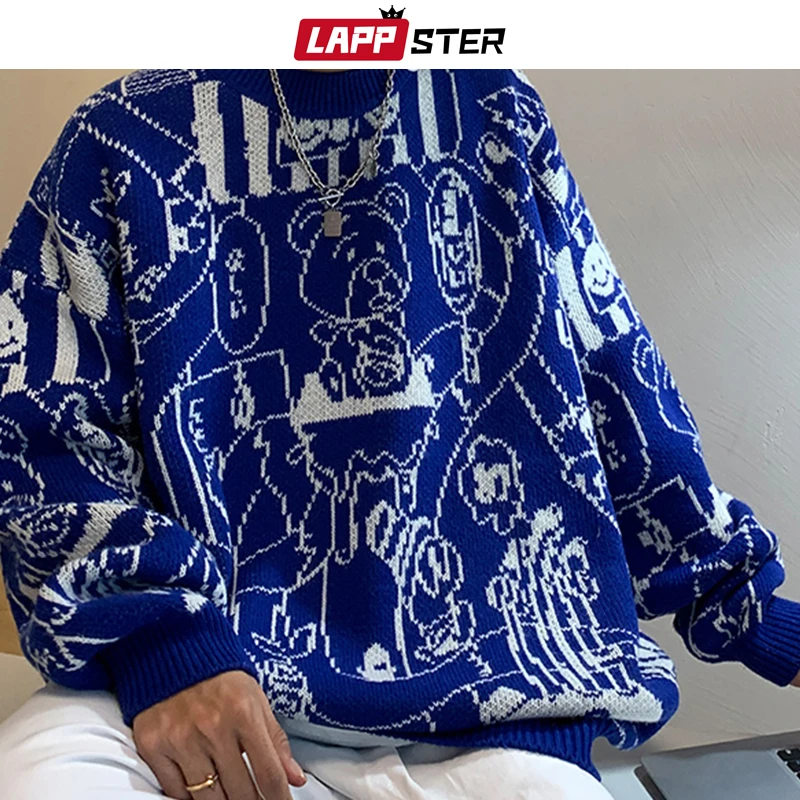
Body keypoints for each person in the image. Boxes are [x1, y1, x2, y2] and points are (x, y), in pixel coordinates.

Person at [0, 67, 798, 800]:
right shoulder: (122, 133)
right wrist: (165, 644)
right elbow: (37, 432)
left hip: (496, 715)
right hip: (198, 675)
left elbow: (614, 378)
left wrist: (751, 611)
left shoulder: (496, 108)